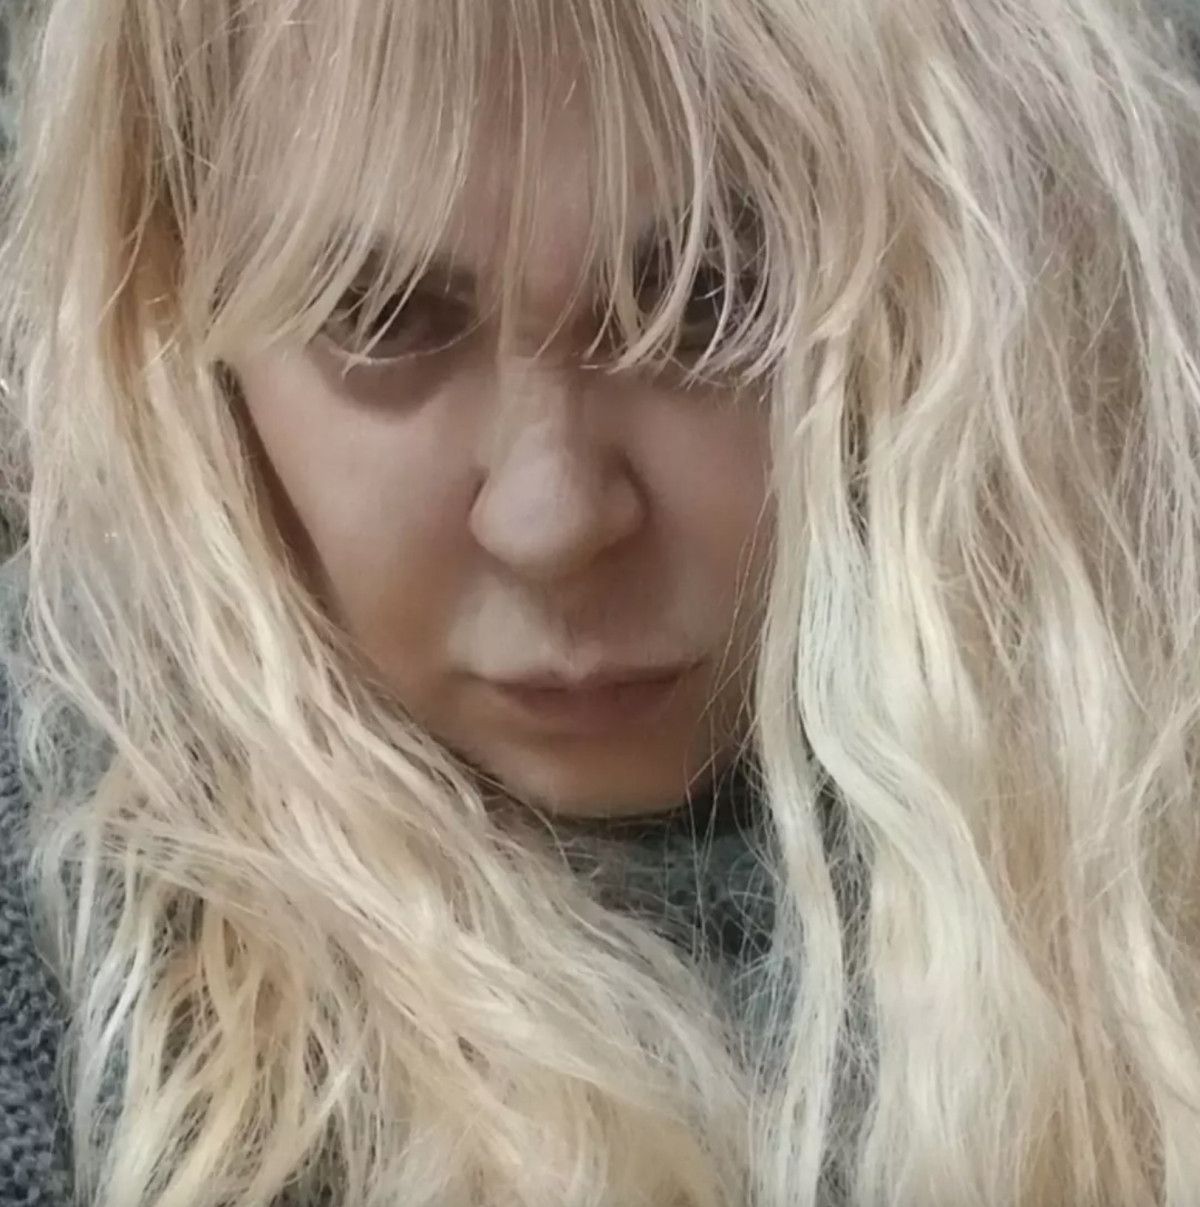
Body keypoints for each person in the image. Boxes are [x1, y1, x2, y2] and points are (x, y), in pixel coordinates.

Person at [1, 0, 1199, 1203]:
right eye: (378, 310)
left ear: (964, 298)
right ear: (177, 302)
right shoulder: (68, 871)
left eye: (710, 299)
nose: (553, 523)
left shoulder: (1148, 802)